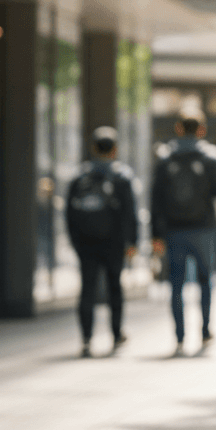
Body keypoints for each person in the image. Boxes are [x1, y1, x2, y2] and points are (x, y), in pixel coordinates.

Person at [150, 109, 216, 357]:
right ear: (202, 130)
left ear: (179, 129)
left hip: (174, 230)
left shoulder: (165, 157)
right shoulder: (211, 157)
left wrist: (156, 234)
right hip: (203, 227)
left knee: (176, 284)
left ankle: (180, 336)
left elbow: (156, 199)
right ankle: (205, 330)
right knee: (206, 281)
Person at [66, 126, 139, 358]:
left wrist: (76, 242)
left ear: (93, 148)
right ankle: (116, 334)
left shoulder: (80, 176)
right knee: (114, 287)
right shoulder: (121, 176)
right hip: (113, 242)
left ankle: (86, 338)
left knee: (87, 288)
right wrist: (132, 242)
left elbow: (69, 214)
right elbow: (130, 213)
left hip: (86, 243)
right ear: (115, 149)